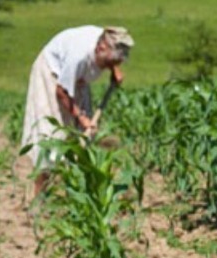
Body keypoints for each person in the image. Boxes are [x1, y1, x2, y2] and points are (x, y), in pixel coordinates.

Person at [21, 25, 134, 197]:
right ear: (101, 48)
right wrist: (81, 118)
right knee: (51, 137)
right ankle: (38, 197)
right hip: (51, 74)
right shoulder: (78, 56)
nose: (112, 65)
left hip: (77, 79)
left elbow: (113, 54)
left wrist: (114, 70)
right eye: (111, 62)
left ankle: (79, 193)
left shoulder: (107, 40)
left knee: (85, 137)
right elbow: (61, 91)